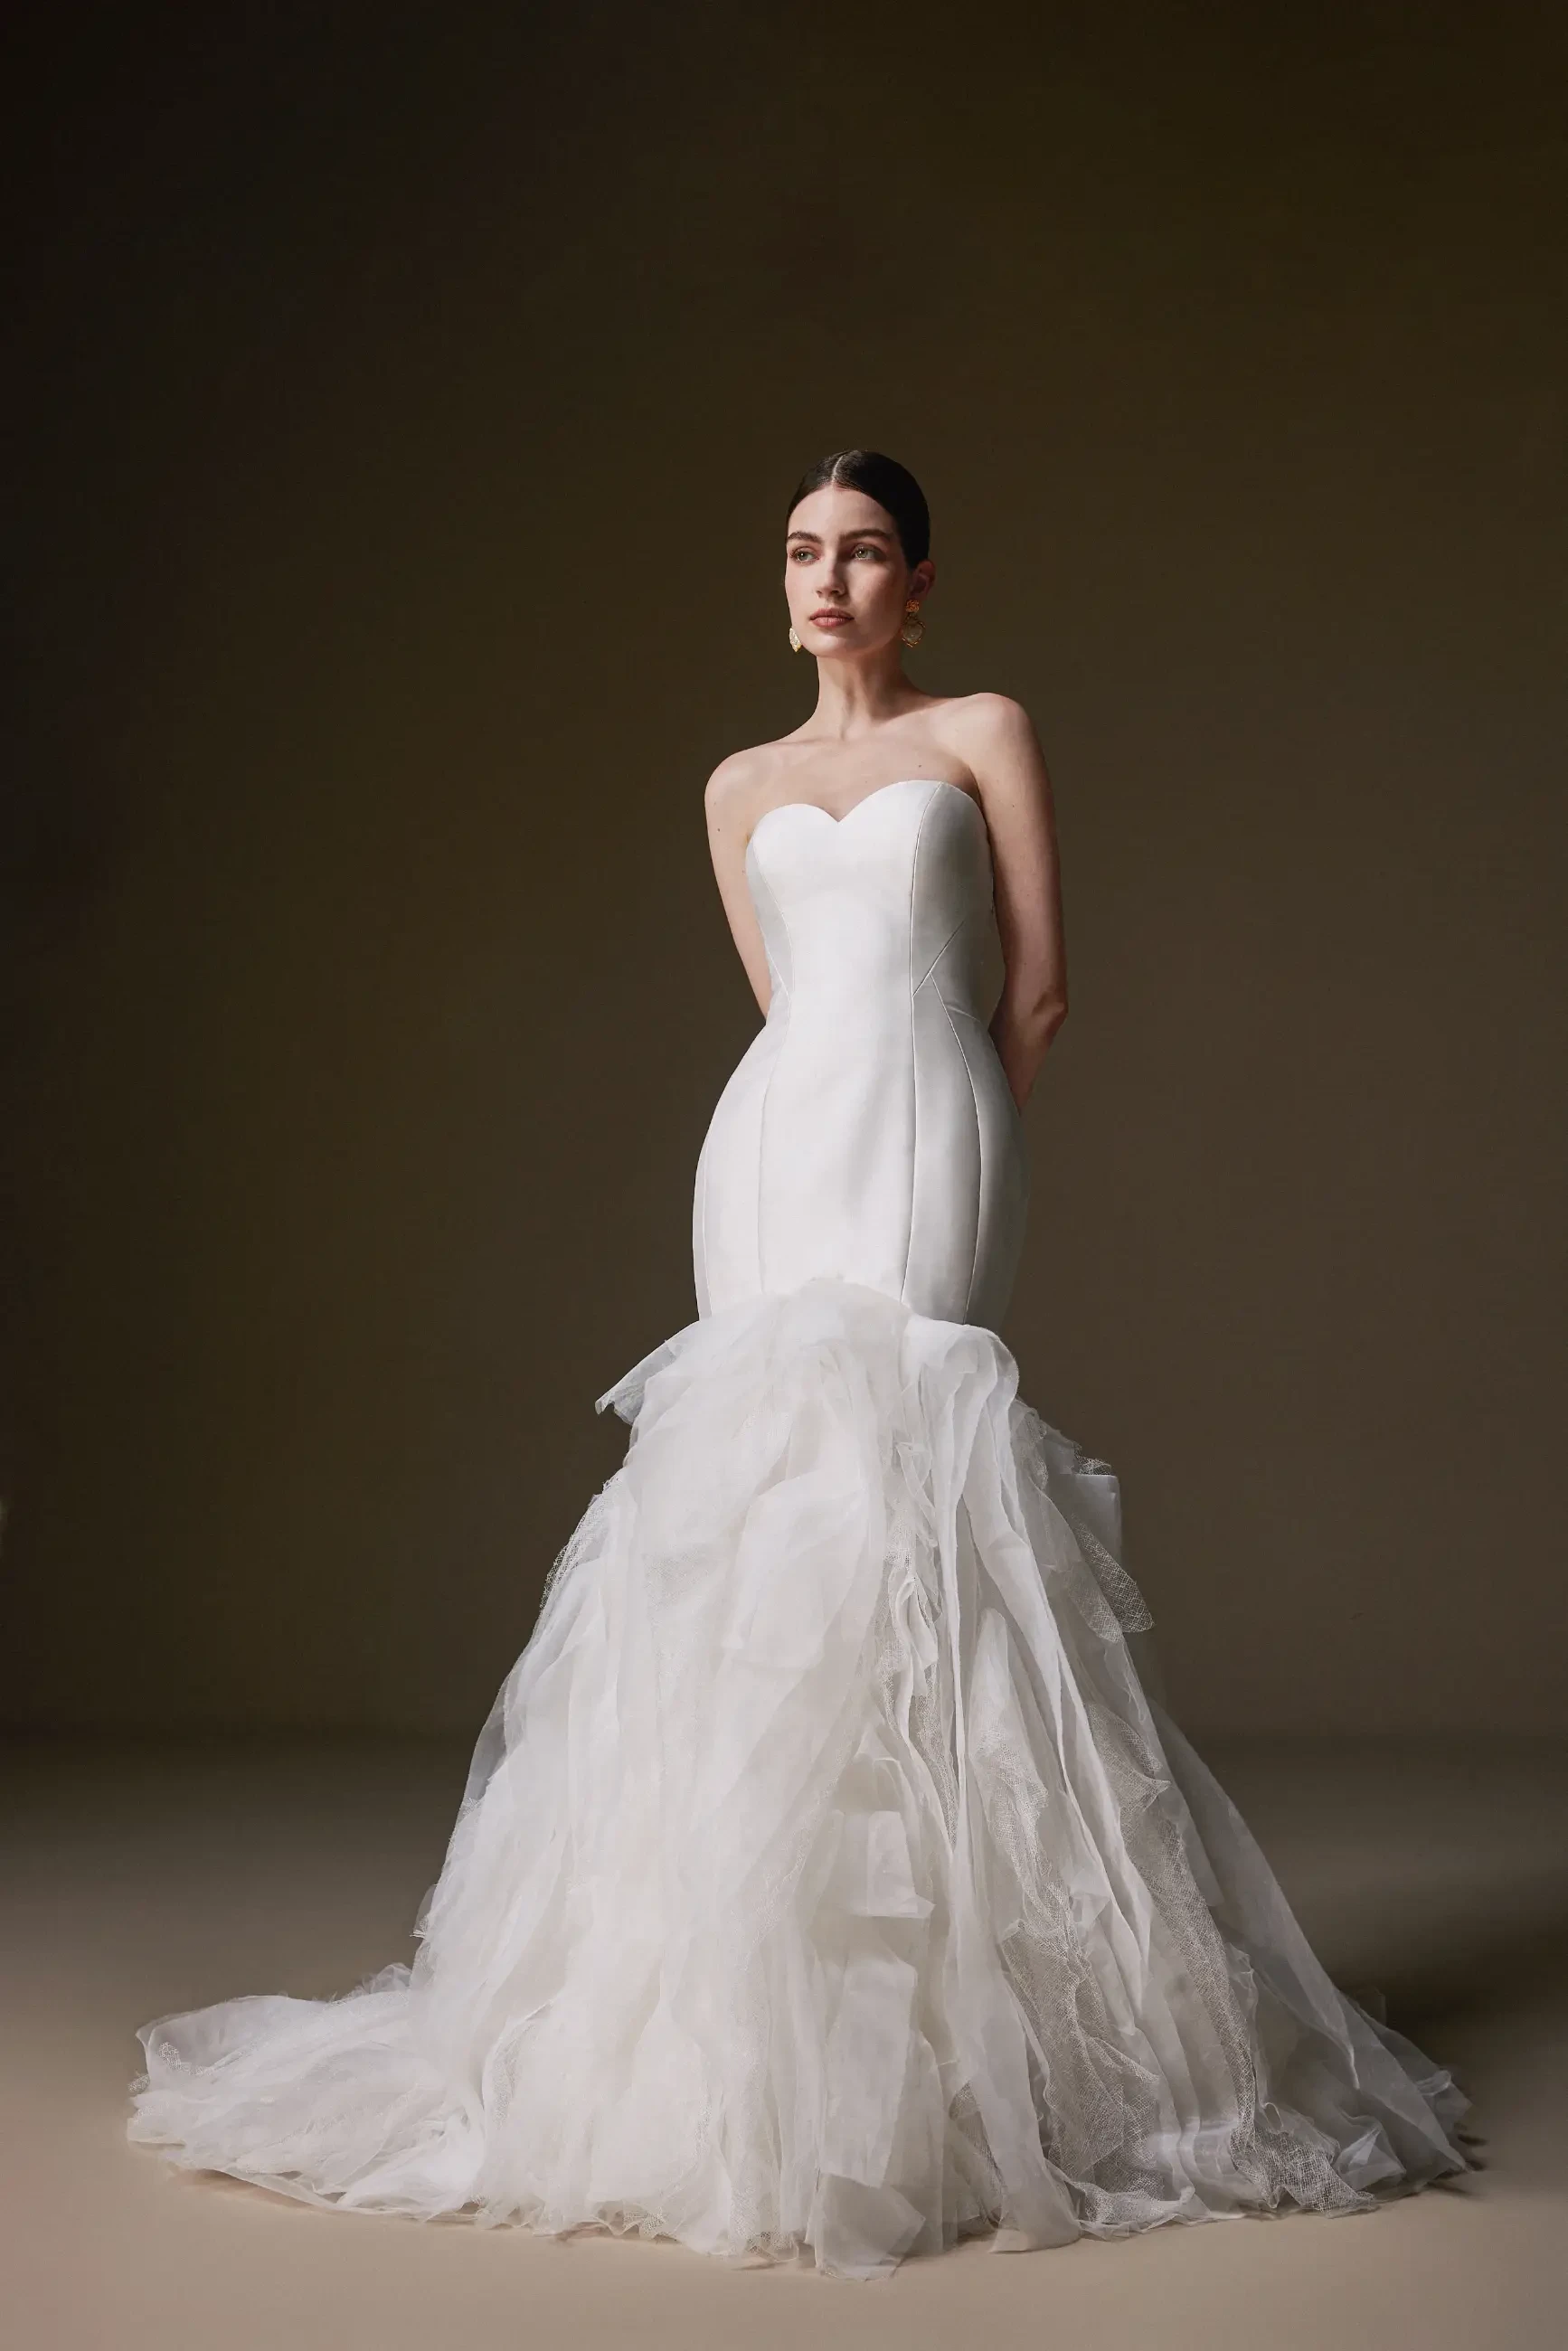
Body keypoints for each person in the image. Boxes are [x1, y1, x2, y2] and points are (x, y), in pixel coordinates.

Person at [128, 449, 1472, 2280]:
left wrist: (957, 1112)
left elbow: (1042, 985)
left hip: (928, 1122)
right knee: (752, 1516)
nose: (822, 581)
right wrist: (853, 1082)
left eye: (858, 554)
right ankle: (739, 2044)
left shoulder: (985, 728)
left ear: (919, 582)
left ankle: (962, 2057)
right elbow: (782, 1000)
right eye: (798, 554)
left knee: (910, 1495)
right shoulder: (736, 785)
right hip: (770, 1143)